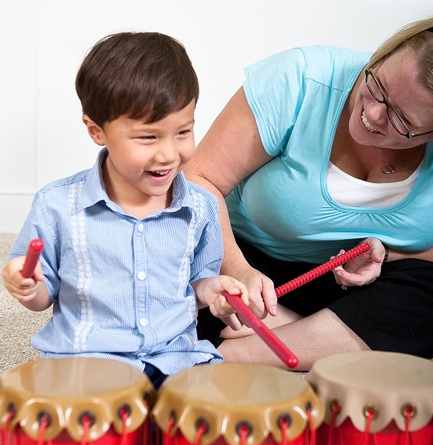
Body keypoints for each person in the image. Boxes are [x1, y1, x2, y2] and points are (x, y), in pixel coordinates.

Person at [185, 16, 433, 371]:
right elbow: (198, 177)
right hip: (241, 264)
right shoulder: (302, 77)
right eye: (378, 84)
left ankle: (245, 351)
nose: (372, 114)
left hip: (342, 286)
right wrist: (238, 270)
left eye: (402, 120)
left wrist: (385, 253)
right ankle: (316, 339)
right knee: (164, 289)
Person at [2, 31, 249, 389]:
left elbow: (195, 284)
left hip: (173, 358)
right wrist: (27, 289)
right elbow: (41, 298)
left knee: (215, 421)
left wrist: (214, 290)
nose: (168, 154)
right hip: (86, 361)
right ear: (96, 131)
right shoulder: (56, 205)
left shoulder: (201, 206)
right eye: (148, 137)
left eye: (183, 132)